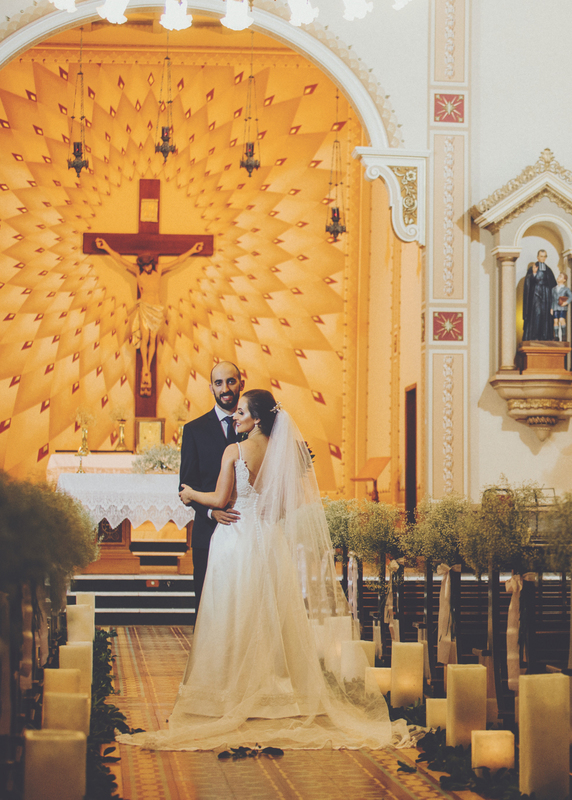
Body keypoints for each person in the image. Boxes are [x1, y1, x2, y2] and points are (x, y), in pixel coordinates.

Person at [119, 389, 406, 751]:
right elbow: (285, 506)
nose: (235, 416)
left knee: (232, 610)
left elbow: (221, 500)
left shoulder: (234, 451)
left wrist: (192, 495)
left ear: (256, 418)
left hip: (236, 538)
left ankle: (228, 690)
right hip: (269, 540)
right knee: (271, 612)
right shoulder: (282, 452)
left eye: (241, 412)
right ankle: (275, 689)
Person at [94, 238, 204, 396]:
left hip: (157, 308)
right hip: (145, 307)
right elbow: (119, 259)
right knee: (144, 337)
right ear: (141, 265)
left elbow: (178, 261)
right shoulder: (137, 272)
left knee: (153, 339)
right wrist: (106, 247)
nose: (147, 267)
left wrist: (193, 250)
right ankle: (145, 366)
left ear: (152, 263)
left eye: (148, 264)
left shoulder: (158, 270)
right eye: (144, 265)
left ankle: (148, 363)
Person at [179, 361, 244, 613]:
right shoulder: (194, 430)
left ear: (241, 383)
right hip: (208, 533)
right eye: (219, 383)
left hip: (245, 531)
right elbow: (185, 486)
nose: (225, 388)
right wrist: (211, 511)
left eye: (231, 381)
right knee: (207, 607)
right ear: (211, 388)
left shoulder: (256, 428)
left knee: (241, 607)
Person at [522, 249, 557, 341]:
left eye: (544, 256)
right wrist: (533, 273)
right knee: (536, 313)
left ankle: (545, 336)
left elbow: (553, 285)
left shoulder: (549, 270)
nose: (543, 258)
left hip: (546, 295)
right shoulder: (532, 268)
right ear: (538, 257)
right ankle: (534, 336)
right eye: (541, 256)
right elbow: (528, 283)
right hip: (535, 295)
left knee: (545, 315)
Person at [552, 272, 572, 342]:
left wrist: (566, 302)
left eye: (560, 277)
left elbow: (571, 297)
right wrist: (551, 308)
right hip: (555, 307)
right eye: (558, 276)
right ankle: (556, 336)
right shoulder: (554, 289)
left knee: (561, 320)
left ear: (564, 280)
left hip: (562, 307)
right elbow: (552, 299)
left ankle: (563, 335)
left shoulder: (566, 289)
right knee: (555, 321)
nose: (558, 278)